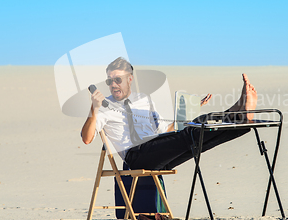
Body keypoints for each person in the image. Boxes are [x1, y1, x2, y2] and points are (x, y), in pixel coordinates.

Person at [81, 57, 258, 170]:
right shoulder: (103, 107)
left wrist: (188, 111)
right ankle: (236, 111)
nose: (113, 85)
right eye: (109, 80)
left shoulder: (144, 99)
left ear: (129, 79)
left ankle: (238, 115)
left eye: (117, 80)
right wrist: (94, 108)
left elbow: (165, 130)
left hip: (156, 149)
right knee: (194, 130)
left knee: (199, 129)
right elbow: (87, 138)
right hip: (137, 156)